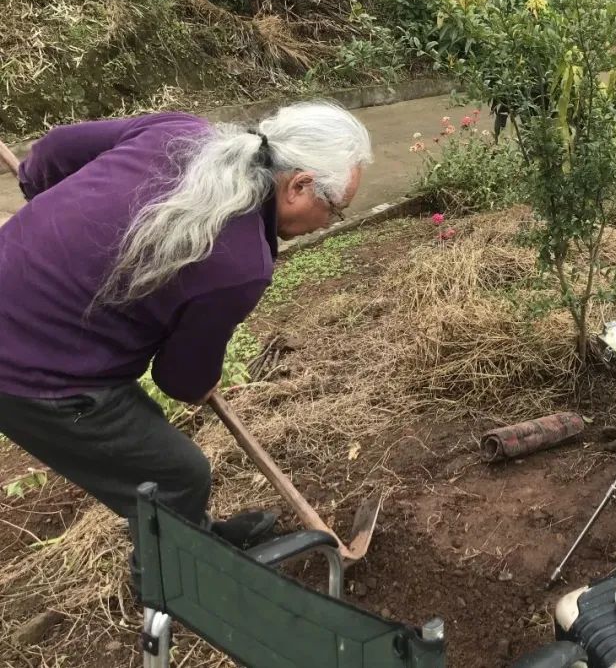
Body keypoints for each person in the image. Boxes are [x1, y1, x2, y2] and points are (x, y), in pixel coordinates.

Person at [0, 102, 372, 588]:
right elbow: (178, 380)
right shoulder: (240, 264)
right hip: (31, 369)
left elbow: (50, 151)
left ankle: (195, 538)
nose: (330, 221)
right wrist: (202, 376)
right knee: (176, 475)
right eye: (335, 207)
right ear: (298, 186)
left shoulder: (177, 131)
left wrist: (53, 208)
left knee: (160, 467)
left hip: (21, 297)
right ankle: (168, 584)